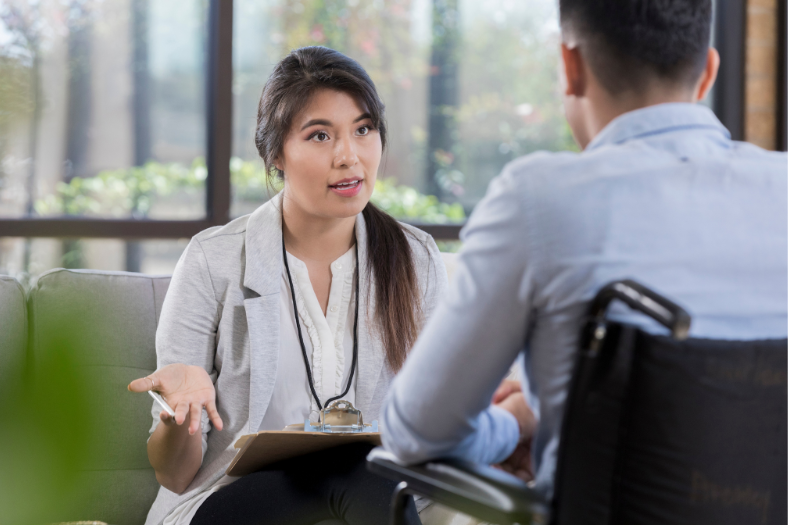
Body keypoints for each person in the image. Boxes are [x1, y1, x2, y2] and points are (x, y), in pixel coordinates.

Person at [381, 0, 788, 501]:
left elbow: (417, 430)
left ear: (570, 66)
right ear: (707, 72)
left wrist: (516, 421)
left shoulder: (539, 201)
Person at [127, 46, 447, 525]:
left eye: (364, 130)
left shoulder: (415, 258)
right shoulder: (213, 259)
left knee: (367, 471)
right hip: (226, 501)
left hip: (371, 496)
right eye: (320, 135)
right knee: (355, 470)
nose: (349, 156)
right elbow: (175, 475)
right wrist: (181, 416)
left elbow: (436, 420)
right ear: (275, 152)